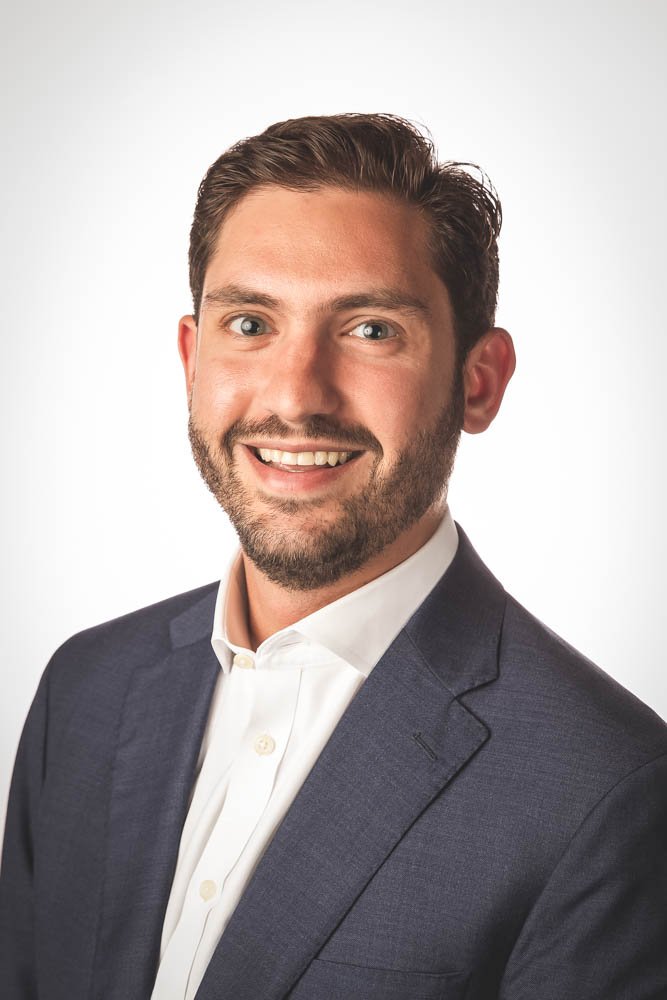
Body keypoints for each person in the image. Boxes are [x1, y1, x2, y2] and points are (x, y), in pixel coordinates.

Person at [1, 114, 665, 1000]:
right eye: (249, 323)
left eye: (370, 330)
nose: (295, 394)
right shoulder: (85, 690)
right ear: (192, 359)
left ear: (479, 382)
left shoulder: (607, 789)